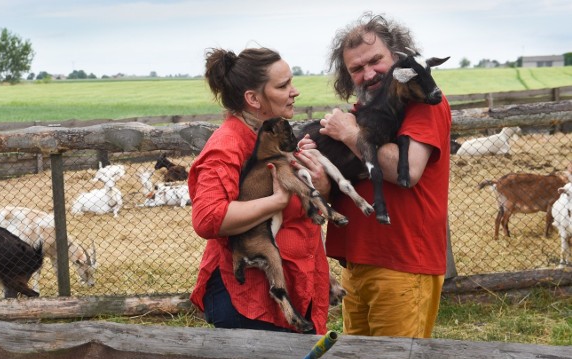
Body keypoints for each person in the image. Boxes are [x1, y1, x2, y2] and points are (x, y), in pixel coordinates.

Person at [308, 12, 451, 338]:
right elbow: (335, 189)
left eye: (376, 61)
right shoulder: (362, 115)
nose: (368, 73)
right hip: (355, 266)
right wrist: (315, 164)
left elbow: (408, 171)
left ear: (398, 57)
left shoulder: (422, 105)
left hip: (401, 266)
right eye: (356, 69)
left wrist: (348, 134)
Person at [188, 47, 333, 334]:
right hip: (251, 302)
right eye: (283, 86)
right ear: (253, 99)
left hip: (292, 287)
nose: (295, 92)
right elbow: (208, 219)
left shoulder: (269, 136)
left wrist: (318, 183)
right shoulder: (228, 144)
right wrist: (277, 200)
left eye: (291, 82)